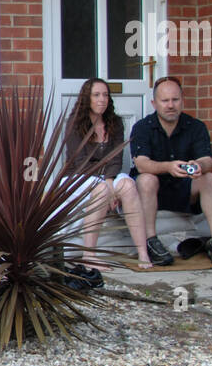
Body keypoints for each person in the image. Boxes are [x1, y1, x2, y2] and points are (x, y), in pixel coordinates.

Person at [130, 76, 212, 266]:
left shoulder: (196, 126)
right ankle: (151, 240)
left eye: (175, 100)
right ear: (154, 103)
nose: (170, 105)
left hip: (184, 189)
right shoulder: (142, 127)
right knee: (146, 179)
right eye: (165, 100)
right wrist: (168, 166)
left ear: (183, 100)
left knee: (208, 178)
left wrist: (199, 165)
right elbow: (141, 164)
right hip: (152, 191)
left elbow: (208, 159)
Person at [64, 78, 153, 271]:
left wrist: (111, 182)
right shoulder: (74, 123)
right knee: (103, 189)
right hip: (78, 176)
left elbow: (116, 158)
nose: (101, 99)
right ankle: (89, 256)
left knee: (128, 186)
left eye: (105, 95)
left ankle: (142, 252)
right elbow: (79, 162)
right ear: (86, 98)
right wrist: (106, 184)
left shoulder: (115, 123)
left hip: (107, 176)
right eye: (96, 95)